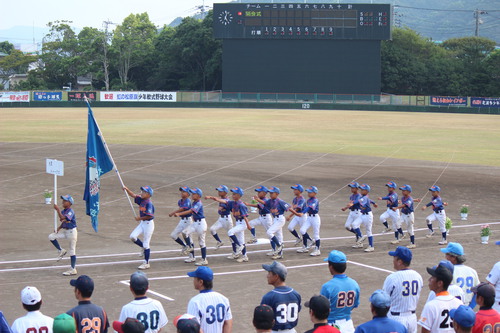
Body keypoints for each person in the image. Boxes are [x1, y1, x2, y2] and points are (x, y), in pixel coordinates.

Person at [383, 247, 423, 333]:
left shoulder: (392, 278)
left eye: (394, 258)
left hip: (396, 318)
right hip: (412, 318)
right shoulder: (418, 276)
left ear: (400, 261)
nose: (393, 260)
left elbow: (384, 299)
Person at [320, 250, 360, 333]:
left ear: (331, 266)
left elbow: (322, 308)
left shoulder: (327, 286)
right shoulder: (354, 284)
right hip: (348, 325)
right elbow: (355, 305)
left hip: (332, 325)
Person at [417, 261, 462, 333]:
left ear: (440, 283)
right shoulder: (459, 303)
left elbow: (425, 331)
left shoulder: (431, 306)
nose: (429, 280)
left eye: (432, 277)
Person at [255, 187, 299, 260]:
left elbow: (289, 208)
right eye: (270, 193)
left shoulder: (280, 201)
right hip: (275, 219)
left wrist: (296, 214)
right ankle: (280, 254)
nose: (270, 194)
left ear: (277, 194)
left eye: (272, 193)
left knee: (269, 232)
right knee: (279, 236)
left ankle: (279, 246)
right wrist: (258, 199)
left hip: (280, 219)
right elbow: (264, 203)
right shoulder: (270, 201)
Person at [187, 266, 233, 333]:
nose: (193, 281)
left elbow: (194, 327)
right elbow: (228, 323)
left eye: (195, 278)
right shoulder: (224, 299)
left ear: (200, 282)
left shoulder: (195, 302)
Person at [211, 187, 250, 262]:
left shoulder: (241, 205)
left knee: (230, 232)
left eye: (235, 194)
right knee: (241, 240)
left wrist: (248, 225)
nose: (233, 195)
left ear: (239, 195)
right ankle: (245, 256)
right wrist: (215, 199)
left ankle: (239, 246)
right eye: (233, 194)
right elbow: (225, 201)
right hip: (238, 222)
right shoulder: (233, 203)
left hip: (243, 223)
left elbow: (245, 217)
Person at [261, 261, 301, 333]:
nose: (267, 276)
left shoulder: (269, 297)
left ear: (276, 276)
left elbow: (262, 320)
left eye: (269, 273)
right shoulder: (296, 294)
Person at [123, 186, 155, 270]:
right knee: (133, 236)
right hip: (142, 223)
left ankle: (146, 263)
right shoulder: (141, 199)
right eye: (142, 191)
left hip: (148, 224)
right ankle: (142, 247)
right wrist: (127, 189)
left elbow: (149, 216)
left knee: (146, 243)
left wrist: (139, 218)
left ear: (148, 194)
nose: (142, 193)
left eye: (144, 192)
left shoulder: (149, 204)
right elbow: (133, 195)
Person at [176, 187, 208, 265]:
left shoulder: (198, 203)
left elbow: (190, 211)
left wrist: (179, 214)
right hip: (195, 223)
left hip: (201, 224)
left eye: (194, 194)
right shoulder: (194, 203)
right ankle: (189, 247)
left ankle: (204, 259)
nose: (192, 195)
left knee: (201, 242)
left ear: (198, 195)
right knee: (184, 232)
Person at [48, 194, 78, 275]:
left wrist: (57, 210)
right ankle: (61, 250)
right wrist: (59, 228)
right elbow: (62, 220)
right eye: (63, 200)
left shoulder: (70, 211)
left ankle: (73, 269)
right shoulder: (63, 211)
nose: (63, 202)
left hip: (72, 232)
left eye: (65, 201)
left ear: (69, 203)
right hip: (65, 231)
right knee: (51, 236)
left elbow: (64, 218)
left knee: (72, 251)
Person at [245, 186, 273, 254]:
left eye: (259, 192)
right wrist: (248, 204)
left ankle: (275, 249)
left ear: (264, 193)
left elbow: (261, 206)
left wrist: (257, 200)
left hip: (267, 218)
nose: (258, 193)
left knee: (270, 234)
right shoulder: (261, 199)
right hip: (261, 218)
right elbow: (258, 205)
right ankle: (254, 238)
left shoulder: (266, 200)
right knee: (251, 223)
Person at [352, 184, 378, 252]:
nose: (361, 191)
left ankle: (371, 246)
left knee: (368, 231)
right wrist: (374, 203)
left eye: (363, 190)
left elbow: (362, 204)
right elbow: (369, 200)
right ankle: (361, 236)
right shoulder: (364, 197)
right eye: (361, 189)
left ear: (366, 191)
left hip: (368, 216)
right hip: (363, 215)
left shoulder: (364, 198)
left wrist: (356, 204)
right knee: (354, 224)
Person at [206, 185, 233, 250]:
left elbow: (222, 207)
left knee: (231, 236)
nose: (219, 192)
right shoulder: (221, 199)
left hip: (227, 220)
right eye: (218, 191)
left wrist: (222, 208)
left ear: (225, 192)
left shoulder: (226, 200)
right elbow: (217, 199)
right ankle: (219, 241)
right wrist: (210, 197)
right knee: (212, 229)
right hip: (221, 219)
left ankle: (236, 251)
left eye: (220, 191)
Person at [169, 186, 194, 256]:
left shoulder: (188, 201)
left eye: (184, 192)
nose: (182, 193)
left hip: (188, 221)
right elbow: (181, 208)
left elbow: (183, 209)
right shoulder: (180, 201)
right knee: (173, 235)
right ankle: (184, 246)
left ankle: (192, 256)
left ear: (188, 194)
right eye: (181, 191)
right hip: (182, 221)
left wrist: (173, 213)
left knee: (189, 239)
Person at [299, 186, 322, 256]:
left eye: (310, 192)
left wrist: (303, 213)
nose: (308, 193)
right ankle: (310, 240)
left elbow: (309, 208)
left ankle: (317, 249)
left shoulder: (315, 200)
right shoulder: (308, 200)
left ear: (315, 193)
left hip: (315, 218)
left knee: (316, 234)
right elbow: (305, 207)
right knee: (302, 230)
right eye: (308, 192)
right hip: (309, 217)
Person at [341, 182, 362, 246]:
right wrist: (345, 208)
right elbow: (350, 204)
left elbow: (356, 202)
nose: (352, 189)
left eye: (353, 188)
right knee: (347, 226)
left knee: (356, 226)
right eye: (351, 188)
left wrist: (351, 204)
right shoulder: (351, 196)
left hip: (357, 212)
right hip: (352, 212)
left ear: (357, 188)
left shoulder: (359, 196)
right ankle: (357, 234)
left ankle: (359, 243)